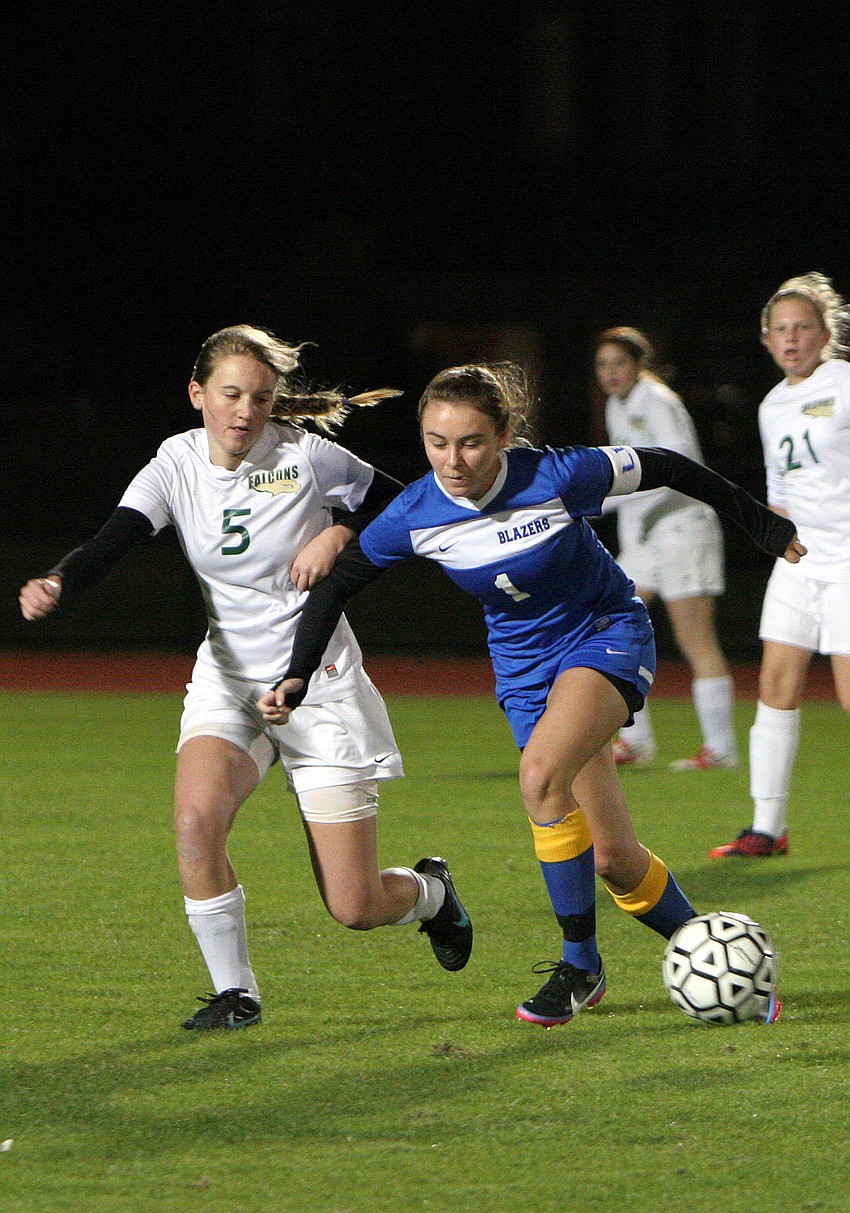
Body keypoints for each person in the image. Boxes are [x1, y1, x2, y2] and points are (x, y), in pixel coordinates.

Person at [258, 362, 802, 1027]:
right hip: (524, 673)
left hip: (604, 634)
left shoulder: (558, 474)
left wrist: (759, 522)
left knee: (541, 776)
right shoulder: (418, 512)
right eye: (436, 442)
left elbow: (667, 465)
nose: (453, 460)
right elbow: (339, 583)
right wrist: (297, 672)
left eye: (471, 442)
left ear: (503, 436)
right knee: (614, 859)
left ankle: (579, 965)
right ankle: (723, 963)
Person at [19, 324, 472, 1031]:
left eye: (260, 398)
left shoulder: (305, 455)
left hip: (318, 683)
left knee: (354, 906)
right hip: (229, 681)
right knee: (195, 821)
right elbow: (114, 540)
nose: (245, 412)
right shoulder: (175, 463)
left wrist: (340, 533)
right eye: (231, 395)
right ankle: (237, 993)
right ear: (197, 394)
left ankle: (431, 893)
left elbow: (407, 502)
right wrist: (58, 580)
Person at [710, 272, 850, 858]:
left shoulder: (844, 384)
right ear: (767, 339)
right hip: (799, 562)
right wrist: (778, 536)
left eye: (803, 328)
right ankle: (767, 828)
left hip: (848, 562)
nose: (791, 339)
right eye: (781, 329)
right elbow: (781, 493)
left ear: (826, 334)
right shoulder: (772, 405)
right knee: (775, 687)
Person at [594, 327, 737, 771]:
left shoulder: (658, 401)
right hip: (647, 537)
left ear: (640, 364)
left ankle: (721, 749)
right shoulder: (617, 405)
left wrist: (604, 501)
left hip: (683, 527)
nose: (610, 373)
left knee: (695, 638)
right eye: (602, 365)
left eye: (619, 362)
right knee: (609, 623)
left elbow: (679, 467)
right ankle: (635, 739)